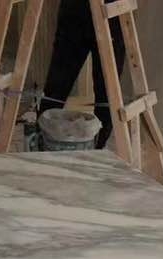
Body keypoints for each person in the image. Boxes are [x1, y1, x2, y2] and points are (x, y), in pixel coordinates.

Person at [40, 0, 125, 148]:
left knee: (107, 92)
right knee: (57, 87)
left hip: (111, 11)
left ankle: (98, 146)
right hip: (77, 10)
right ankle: (42, 142)